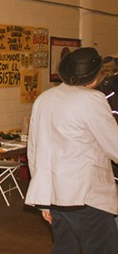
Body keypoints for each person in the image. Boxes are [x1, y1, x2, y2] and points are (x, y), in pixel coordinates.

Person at [25, 47, 118, 254]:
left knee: (65, 249)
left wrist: (43, 201)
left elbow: (34, 149)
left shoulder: (44, 98)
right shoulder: (92, 99)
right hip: (85, 196)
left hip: (54, 195)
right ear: (96, 75)